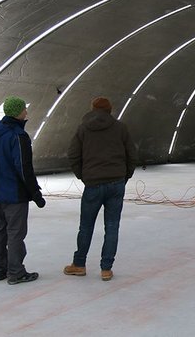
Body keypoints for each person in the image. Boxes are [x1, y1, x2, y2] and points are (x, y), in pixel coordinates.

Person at [64, 97, 137, 281]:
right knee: (112, 227)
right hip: (116, 184)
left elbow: (73, 154)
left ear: (92, 109)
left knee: (86, 226)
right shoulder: (121, 128)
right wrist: (124, 176)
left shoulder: (83, 128)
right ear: (110, 110)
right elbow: (132, 155)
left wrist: (83, 175)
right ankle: (106, 269)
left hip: (93, 185)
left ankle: (79, 265)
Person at [0, 96, 46, 285]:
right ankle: (16, 272)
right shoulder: (18, 136)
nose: (26, 112)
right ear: (17, 112)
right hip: (14, 193)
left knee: (0, 232)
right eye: (24, 110)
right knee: (15, 234)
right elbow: (24, 167)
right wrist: (36, 194)